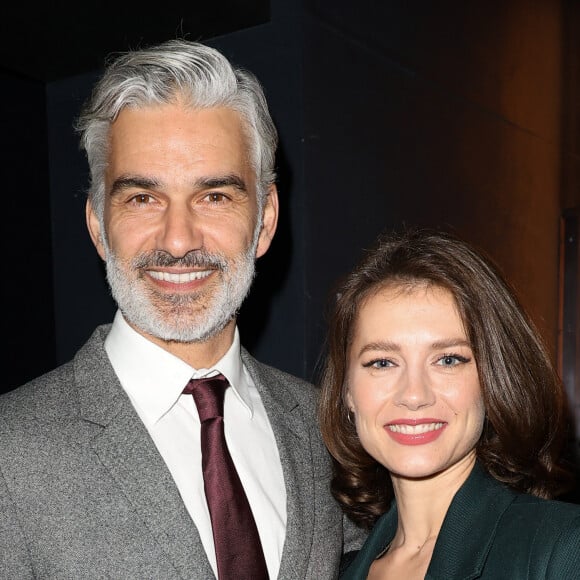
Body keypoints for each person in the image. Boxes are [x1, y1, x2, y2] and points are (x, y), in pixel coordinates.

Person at [0, 39, 364, 579]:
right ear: (98, 225)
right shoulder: (10, 450)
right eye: (142, 198)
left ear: (263, 222)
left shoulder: (329, 429)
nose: (176, 241)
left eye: (214, 196)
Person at [318, 228, 580, 579]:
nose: (413, 395)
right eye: (382, 362)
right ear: (347, 392)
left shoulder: (561, 548)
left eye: (448, 360)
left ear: (493, 378)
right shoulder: (341, 570)